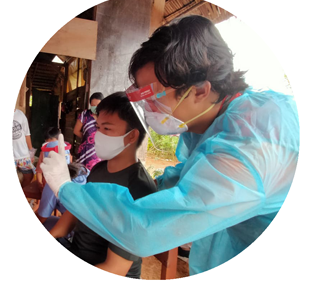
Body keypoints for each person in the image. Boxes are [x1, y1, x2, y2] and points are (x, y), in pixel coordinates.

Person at [40, 15, 299, 276]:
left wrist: (66, 188)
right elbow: (183, 183)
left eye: (152, 96)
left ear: (200, 91)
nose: (146, 108)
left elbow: (145, 229)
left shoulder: (251, 144)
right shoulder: (215, 126)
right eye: (140, 95)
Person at [49, 92, 157, 278]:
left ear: (131, 136)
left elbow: (115, 269)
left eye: (106, 129)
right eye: (98, 127)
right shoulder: (99, 169)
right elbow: (76, 212)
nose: (97, 135)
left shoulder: (139, 188)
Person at [36, 162, 89, 231]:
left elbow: (42, 218)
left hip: (77, 230)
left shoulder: (53, 183)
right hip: (97, 227)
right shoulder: (84, 171)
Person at [73, 92, 104, 170]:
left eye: (98, 105)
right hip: (86, 150)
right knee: (84, 173)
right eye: (93, 105)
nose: (95, 107)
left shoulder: (105, 116)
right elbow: (76, 131)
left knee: (98, 173)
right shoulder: (84, 115)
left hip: (101, 150)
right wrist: (87, 138)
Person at [13, 108, 36, 187]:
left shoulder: (20, 114)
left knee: (29, 176)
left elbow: (27, 134)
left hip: (23, 155)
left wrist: (31, 152)